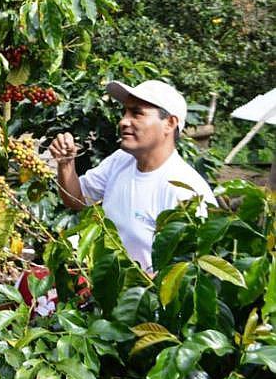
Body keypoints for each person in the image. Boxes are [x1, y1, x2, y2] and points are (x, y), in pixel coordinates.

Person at [50, 80, 216, 272]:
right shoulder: (121, 160)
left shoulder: (187, 191)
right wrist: (66, 163)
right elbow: (77, 199)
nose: (123, 121)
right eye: (125, 112)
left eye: (137, 113)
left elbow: (191, 270)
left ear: (169, 124)